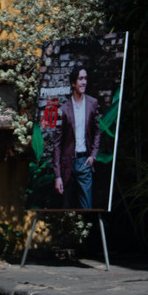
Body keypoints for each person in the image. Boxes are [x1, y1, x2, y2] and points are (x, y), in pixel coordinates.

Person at [50, 66, 101, 209]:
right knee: (66, 209)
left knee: (87, 208)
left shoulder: (92, 103)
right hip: (67, 165)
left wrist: (93, 155)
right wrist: (57, 176)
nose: (84, 82)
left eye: (85, 78)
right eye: (80, 79)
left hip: (85, 162)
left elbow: (97, 131)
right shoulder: (64, 109)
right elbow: (57, 144)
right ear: (73, 83)